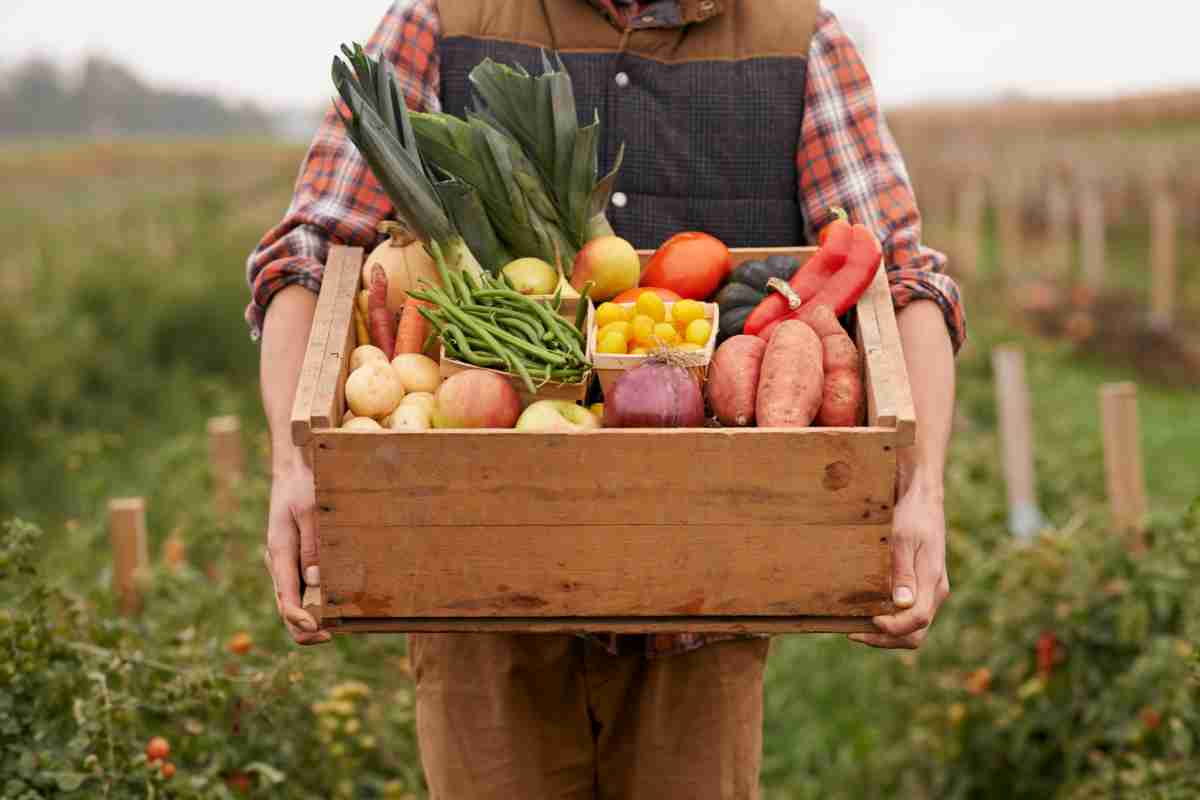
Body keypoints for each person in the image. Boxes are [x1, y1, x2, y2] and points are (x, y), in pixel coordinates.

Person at [248, 1, 965, 797]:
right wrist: (293, 465)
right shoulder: (441, 18)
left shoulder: (796, 35)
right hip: (482, 600)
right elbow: (310, 254)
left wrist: (921, 490)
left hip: (705, 601)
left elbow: (904, 280)